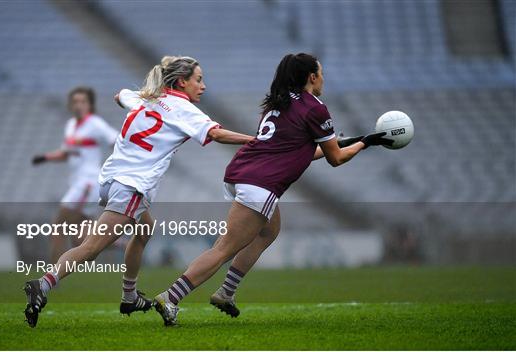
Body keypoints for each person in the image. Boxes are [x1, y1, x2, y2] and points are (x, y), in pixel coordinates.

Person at [153, 53, 393, 326]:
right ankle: (170, 297)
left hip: (240, 172)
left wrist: (354, 141)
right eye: (321, 72)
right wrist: (365, 143)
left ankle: (226, 292)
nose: (323, 78)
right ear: (312, 77)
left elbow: (298, 152)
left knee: (269, 229)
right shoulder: (315, 108)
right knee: (223, 248)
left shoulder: (277, 101)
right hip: (260, 184)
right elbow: (335, 158)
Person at [23, 56, 253, 328]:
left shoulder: (146, 98)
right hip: (131, 186)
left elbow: (120, 95)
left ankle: (129, 296)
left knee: (145, 229)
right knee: (92, 248)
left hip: (111, 179)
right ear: (182, 81)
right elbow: (216, 134)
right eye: (198, 80)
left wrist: (132, 97)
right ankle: (43, 284)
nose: (203, 86)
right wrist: (255, 140)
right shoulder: (183, 108)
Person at [32, 87, 118, 262]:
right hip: (80, 183)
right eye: (75, 102)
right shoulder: (71, 125)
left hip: (88, 184)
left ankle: (51, 280)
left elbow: (116, 141)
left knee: (58, 228)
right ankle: (123, 242)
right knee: (81, 239)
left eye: (83, 101)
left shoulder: (95, 123)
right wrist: (44, 157)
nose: (78, 105)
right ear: (70, 105)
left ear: (90, 105)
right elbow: (66, 153)